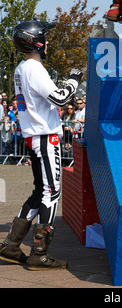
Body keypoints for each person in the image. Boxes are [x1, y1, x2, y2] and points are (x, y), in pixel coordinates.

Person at [0, 20, 83, 270]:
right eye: (45, 37)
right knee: (52, 192)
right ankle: (40, 252)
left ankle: (12, 245)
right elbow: (60, 97)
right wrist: (73, 79)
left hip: (34, 136)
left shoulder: (21, 68)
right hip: (46, 137)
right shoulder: (34, 68)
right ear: (35, 40)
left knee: (40, 190)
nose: (47, 42)